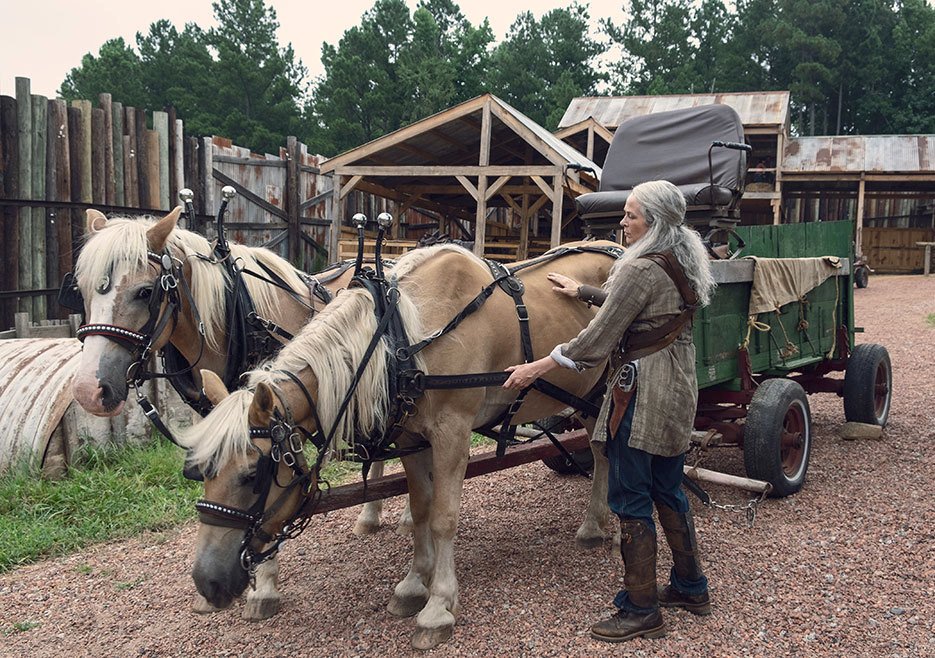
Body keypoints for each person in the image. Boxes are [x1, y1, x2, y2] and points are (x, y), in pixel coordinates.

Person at [503, 180, 716, 643]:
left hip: (641, 394)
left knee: (630, 498)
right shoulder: (681, 256)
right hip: (677, 387)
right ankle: (690, 588)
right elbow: (643, 311)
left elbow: (595, 343)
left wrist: (535, 367)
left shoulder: (639, 268)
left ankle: (642, 609)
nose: (623, 222)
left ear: (654, 222)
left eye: (632, 215)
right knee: (668, 490)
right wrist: (583, 290)